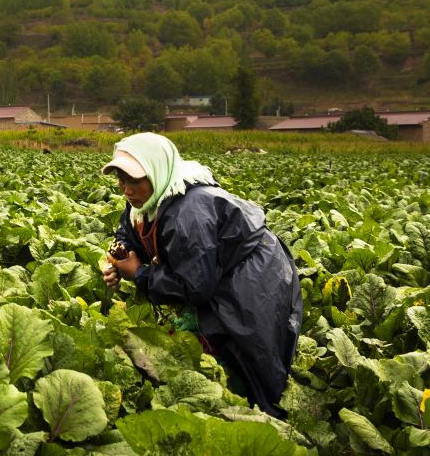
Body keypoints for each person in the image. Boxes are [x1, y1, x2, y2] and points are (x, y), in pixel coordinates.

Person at [100, 132, 302, 418]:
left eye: (134, 181)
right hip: (219, 270)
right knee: (207, 335)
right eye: (121, 180)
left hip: (254, 274)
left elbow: (194, 287)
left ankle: (262, 413)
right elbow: (128, 232)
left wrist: (140, 273)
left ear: (157, 172)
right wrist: (118, 260)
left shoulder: (188, 211)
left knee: (249, 348)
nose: (126, 190)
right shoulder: (146, 200)